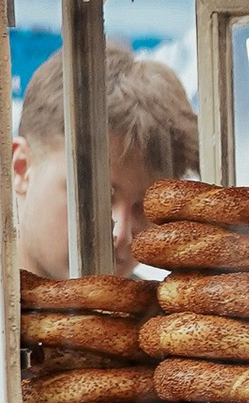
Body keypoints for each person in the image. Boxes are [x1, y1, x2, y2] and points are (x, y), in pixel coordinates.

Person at [12, 45, 198, 276]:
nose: (122, 235)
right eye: (95, 197)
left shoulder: (159, 310)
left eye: (147, 208)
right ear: (22, 168)